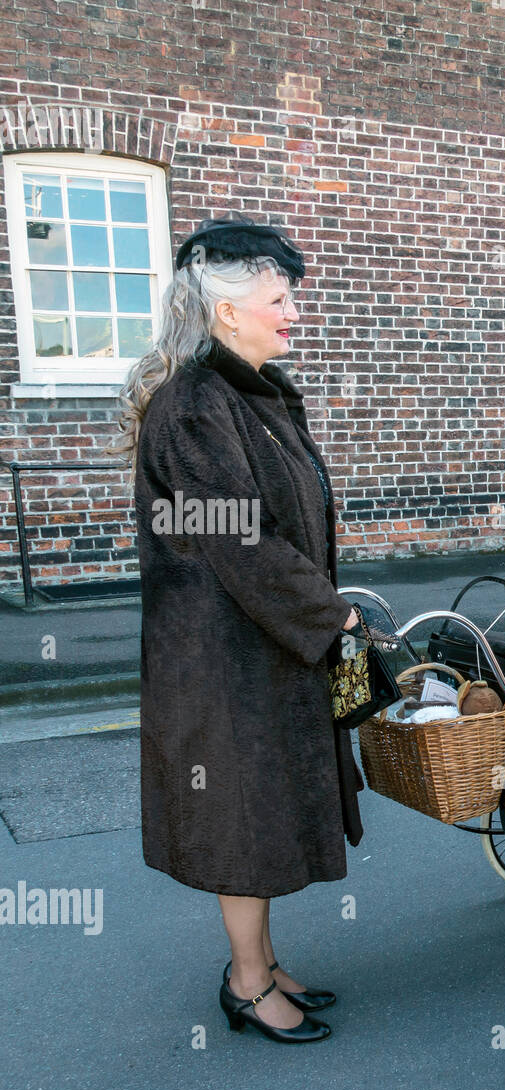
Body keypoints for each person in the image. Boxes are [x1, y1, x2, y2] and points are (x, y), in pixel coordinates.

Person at [118, 217, 365, 1044]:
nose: (293, 311)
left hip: (257, 644)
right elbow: (239, 537)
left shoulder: (245, 393)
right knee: (241, 817)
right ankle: (248, 984)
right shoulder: (195, 407)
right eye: (279, 297)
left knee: (257, 812)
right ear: (228, 313)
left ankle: (259, 960)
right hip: (220, 658)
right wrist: (331, 613)